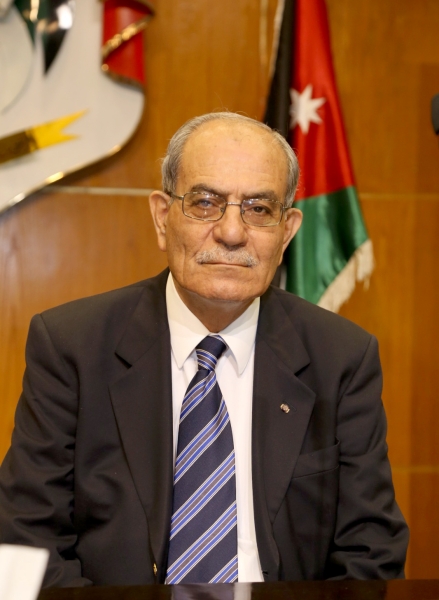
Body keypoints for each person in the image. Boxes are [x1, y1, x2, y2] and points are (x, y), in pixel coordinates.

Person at [0, 112, 408, 587]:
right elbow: (27, 537)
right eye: (205, 203)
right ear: (162, 217)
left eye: (259, 209)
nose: (232, 232)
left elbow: (371, 554)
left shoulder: (341, 358)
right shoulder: (72, 346)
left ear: (287, 232)